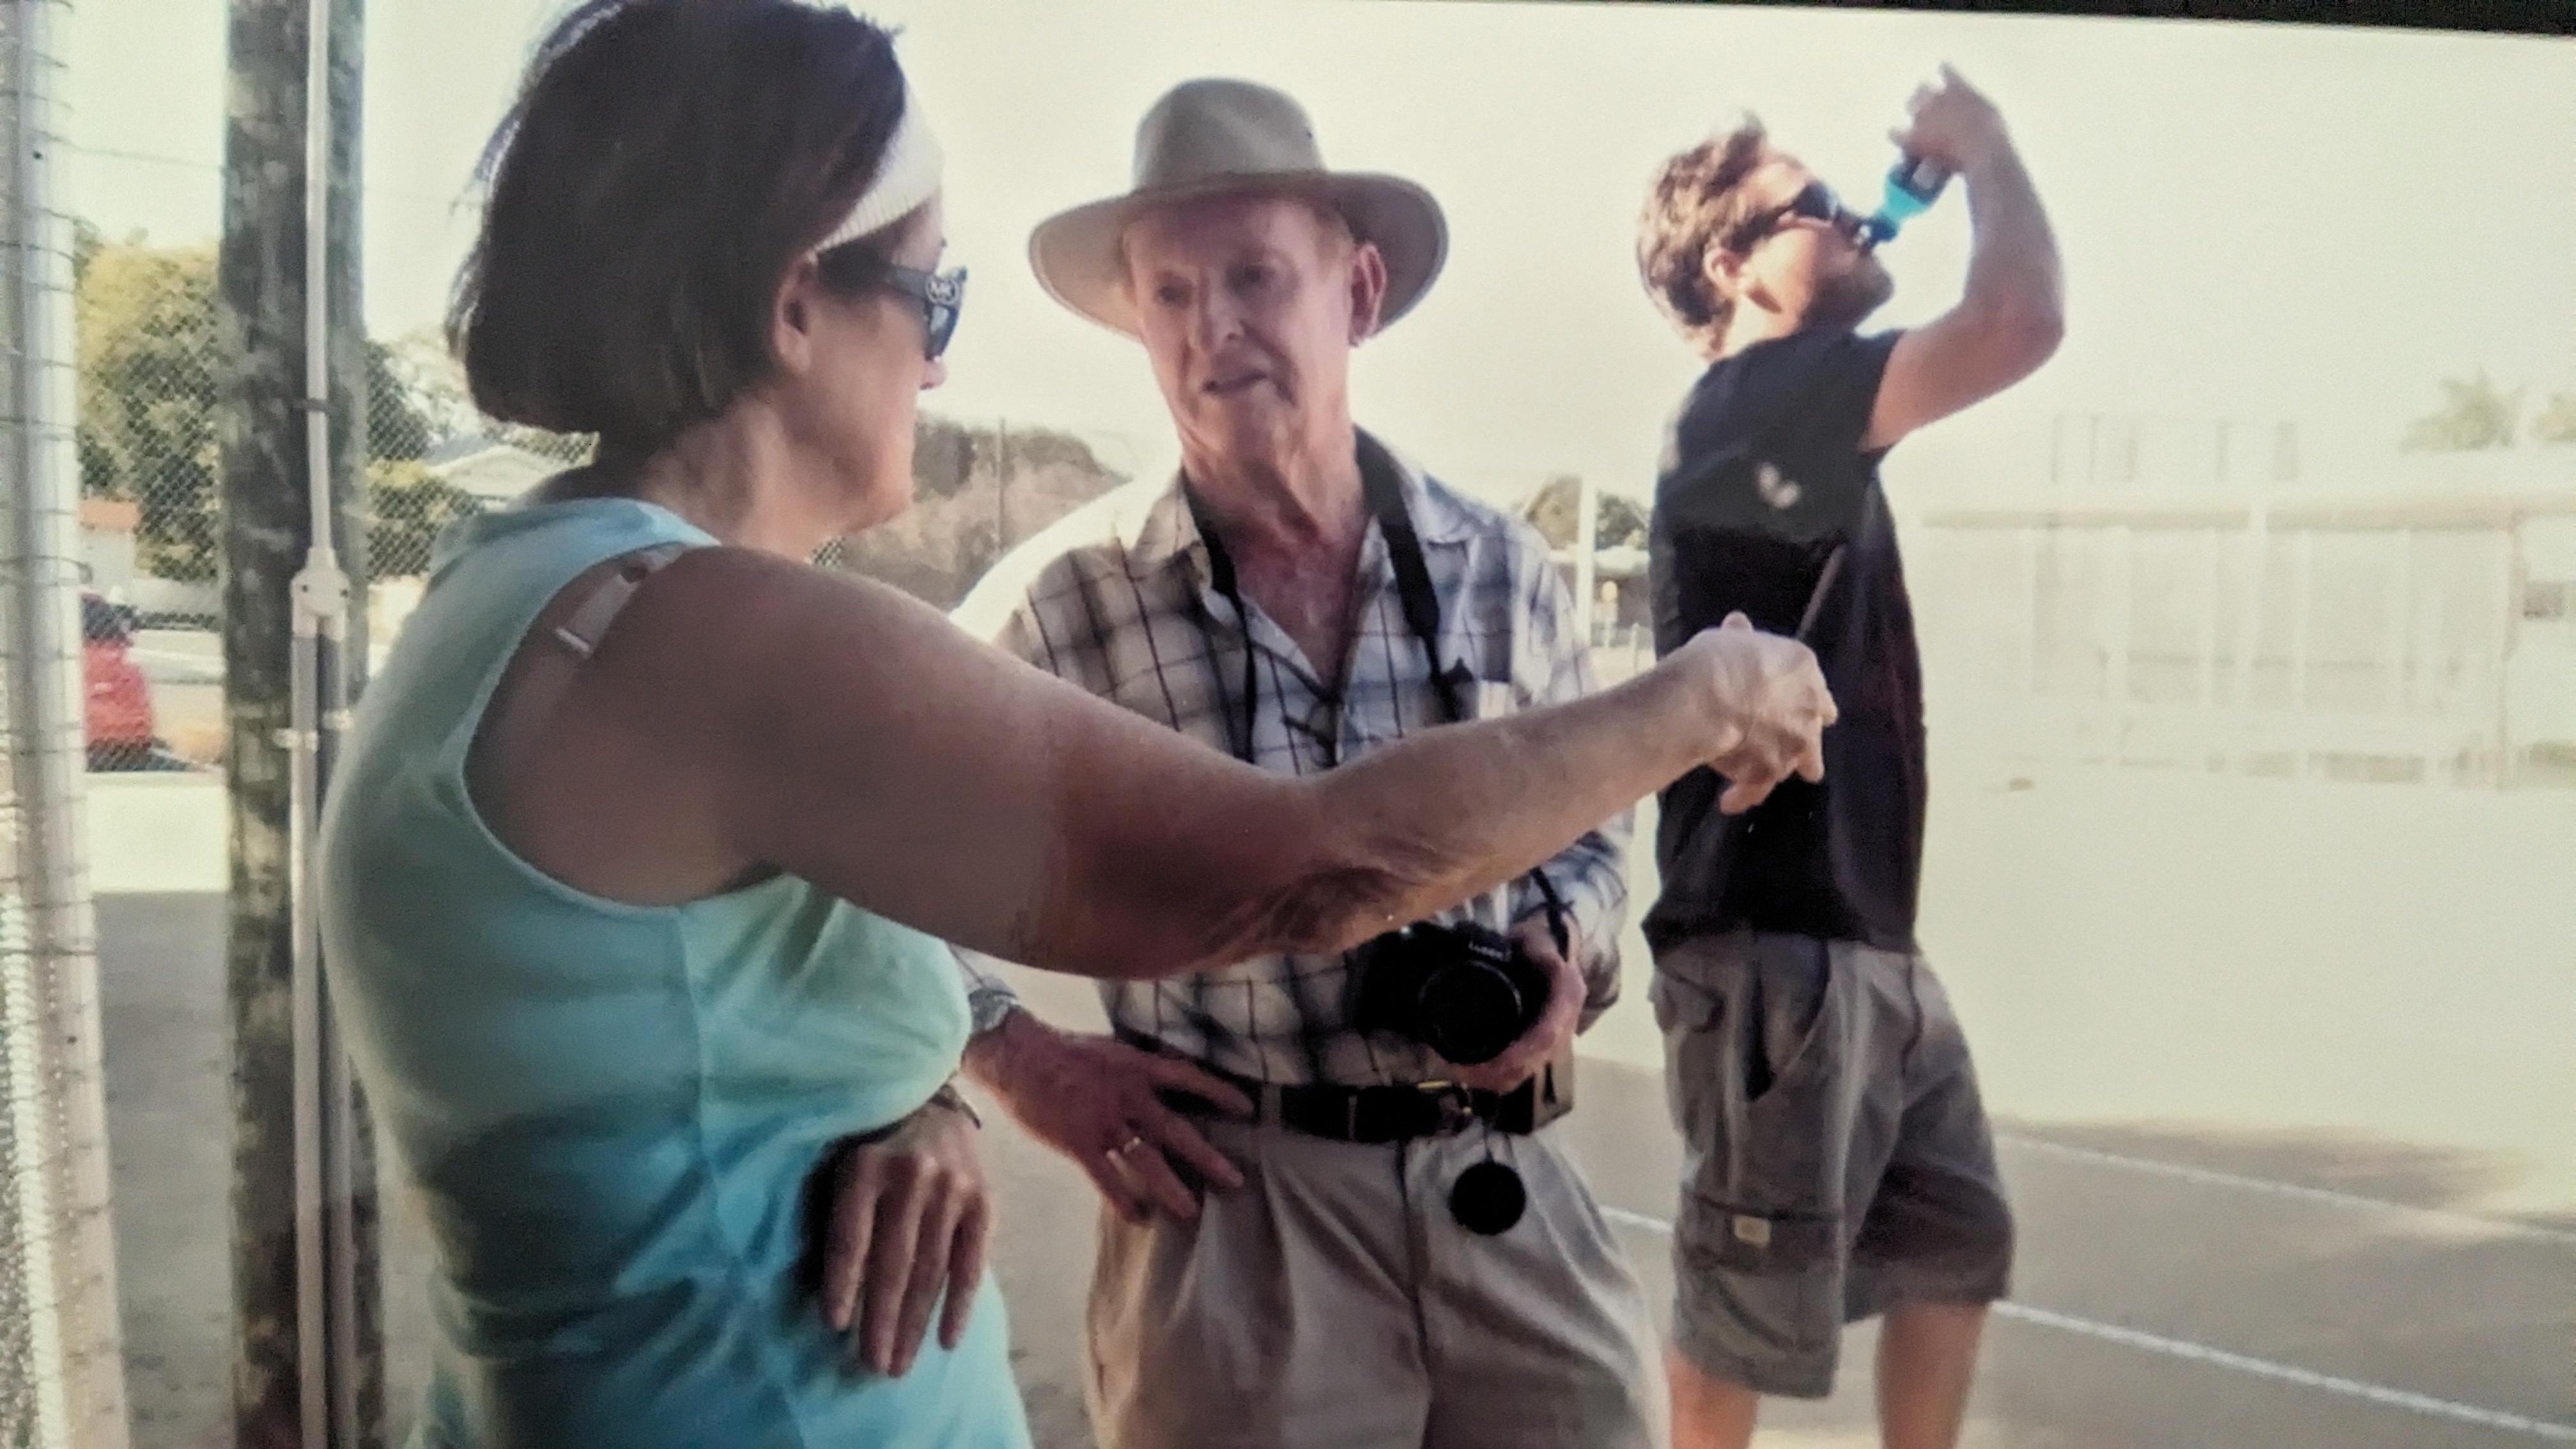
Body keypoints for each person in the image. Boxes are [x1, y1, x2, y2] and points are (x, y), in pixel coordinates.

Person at [314, 6, 1839, 1446]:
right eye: (930, 292)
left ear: (1353, 289)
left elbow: (719, 997)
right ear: (794, 301)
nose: (941, 357)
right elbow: (1299, 875)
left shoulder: (559, 600)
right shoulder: (709, 632)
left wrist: (904, 1096)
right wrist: (1709, 693)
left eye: (1252, 278)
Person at [950, 78, 1666, 1449]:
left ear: (1361, 290)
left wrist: (1564, 946)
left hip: (1508, 1182)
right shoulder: (1062, 604)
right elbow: (853, 854)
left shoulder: (1505, 570)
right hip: (1233, 1218)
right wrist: (1023, 1058)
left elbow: (1597, 832)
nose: (1213, 327)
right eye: (1169, 294)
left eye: (1255, 277)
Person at [1631, 66, 2064, 1449]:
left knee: (1955, 1239)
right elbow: (2017, 321)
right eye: (1812, 208)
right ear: (1731, 265)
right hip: (1775, 942)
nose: (1861, 220)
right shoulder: (1756, 399)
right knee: (1741, 1311)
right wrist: (1981, 148)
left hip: (1866, 932)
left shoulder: (1789, 415)